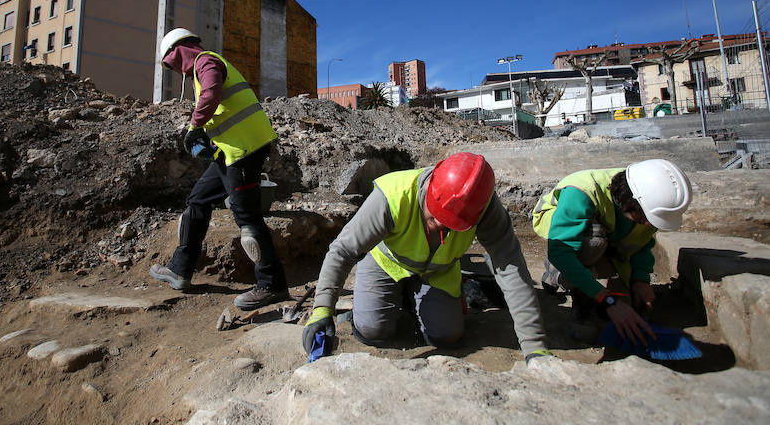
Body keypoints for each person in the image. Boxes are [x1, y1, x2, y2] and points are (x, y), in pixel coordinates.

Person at [302, 152, 551, 363]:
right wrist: (322, 310)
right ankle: (390, 301)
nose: (440, 228)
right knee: (373, 330)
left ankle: (418, 297)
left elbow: (511, 266)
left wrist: (535, 347)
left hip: (438, 271)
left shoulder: (483, 207)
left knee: (447, 337)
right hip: (387, 263)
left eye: (453, 226)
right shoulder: (393, 196)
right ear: (430, 189)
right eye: (434, 218)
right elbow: (342, 251)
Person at [149, 28, 289, 310]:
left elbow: (212, 91)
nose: (177, 71)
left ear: (179, 50)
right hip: (230, 151)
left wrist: (195, 126)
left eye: (172, 63)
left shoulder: (206, 61)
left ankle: (272, 285)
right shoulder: (202, 67)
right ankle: (180, 269)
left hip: (244, 150)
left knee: (247, 217)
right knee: (198, 200)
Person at [532, 159, 692, 345]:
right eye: (647, 218)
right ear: (630, 202)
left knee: (629, 309)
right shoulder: (582, 191)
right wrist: (606, 299)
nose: (650, 224)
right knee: (594, 239)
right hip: (563, 231)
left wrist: (640, 281)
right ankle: (580, 299)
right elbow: (561, 251)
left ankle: (597, 288)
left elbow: (641, 241)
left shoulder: (646, 198)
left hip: (609, 233)